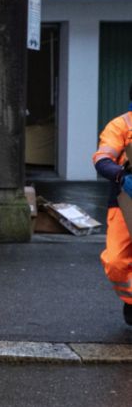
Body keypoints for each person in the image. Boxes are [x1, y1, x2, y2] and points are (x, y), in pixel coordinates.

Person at [92, 82, 132, 326]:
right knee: (116, 260)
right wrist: (122, 176)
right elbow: (102, 159)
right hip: (124, 200)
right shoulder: (121, 125)